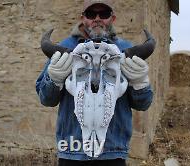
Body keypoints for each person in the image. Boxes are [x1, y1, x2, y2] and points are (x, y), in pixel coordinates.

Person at [36, 0, 153, 165]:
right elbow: (46, 99)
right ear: (83, 18)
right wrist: (53, 79)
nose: (97, 19)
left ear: (112, 18)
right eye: (91, 14)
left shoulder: (126, 50)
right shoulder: (63, 48)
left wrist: (140, 83)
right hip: (72, 152)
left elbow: (143, 104)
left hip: (113, 152)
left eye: (103, 14)